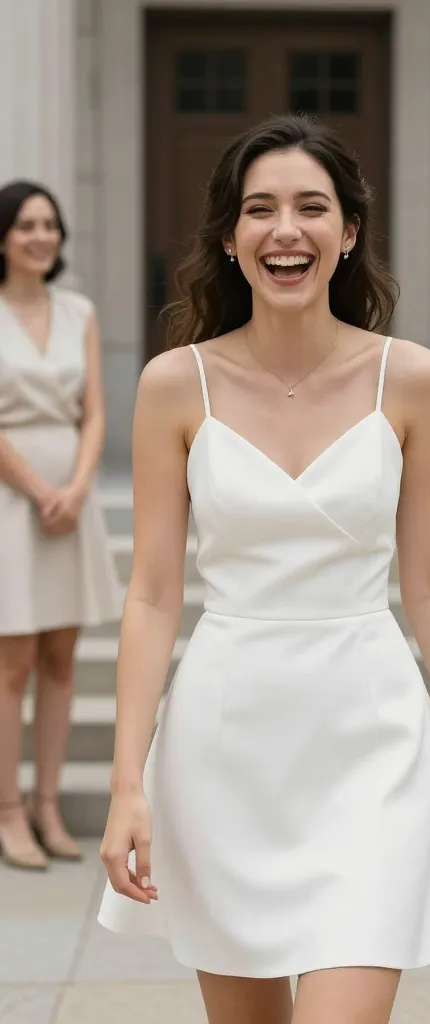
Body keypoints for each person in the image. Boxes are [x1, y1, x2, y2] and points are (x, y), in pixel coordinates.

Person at [98, 115, 430, 1024]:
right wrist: (129, 781)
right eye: (260, 210)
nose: (287, 229)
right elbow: (153, 594)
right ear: (231, 241)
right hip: (224, 743)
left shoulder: (412, 378)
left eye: (312, 208)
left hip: (369, 738)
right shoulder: (175, 384)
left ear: (349, 232)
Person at [0, 181, 121, 871]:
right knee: (11, 663)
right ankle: (8, 809)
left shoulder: (79, 312)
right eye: (26, 224)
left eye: (50, 224)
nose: (41, 236)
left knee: (61, 660)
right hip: (12, 501)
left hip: (71, 501)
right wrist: (39, 489)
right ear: (2, 237)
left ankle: (47, 802)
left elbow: (96, 411)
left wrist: (75, 489)